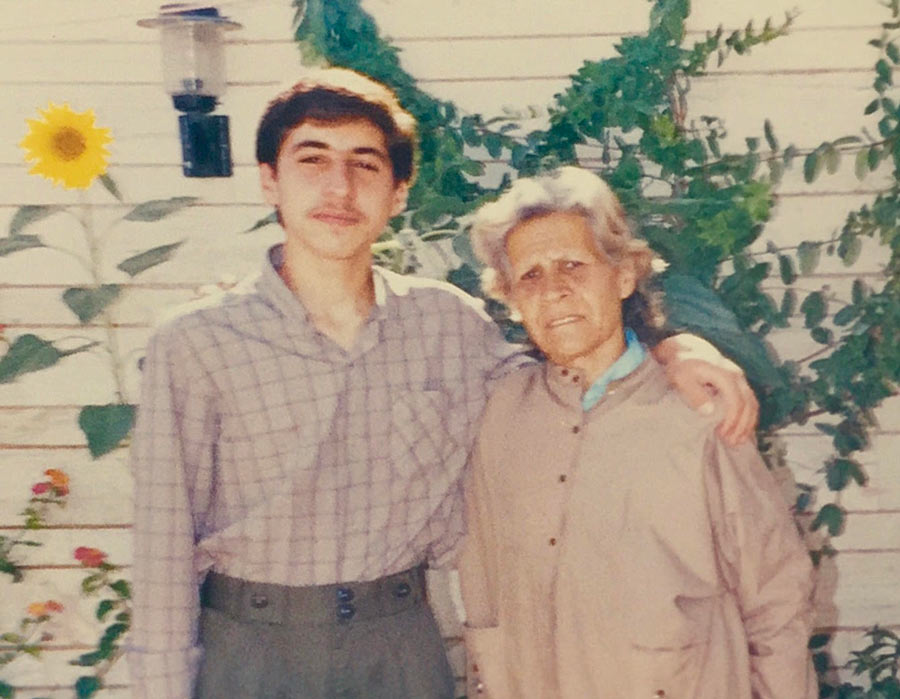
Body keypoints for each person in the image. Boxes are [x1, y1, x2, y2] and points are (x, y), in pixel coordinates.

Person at [127, 69, 759, 699]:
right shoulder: (196, 344)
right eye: (311, 160)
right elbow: (162, 553)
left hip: (399, 646)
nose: (339, 187)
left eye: (365, 165)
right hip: (251, 649)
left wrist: (673, 350)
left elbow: (570, 379)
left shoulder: (447, 324)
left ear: (398, 192)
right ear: (270, 179)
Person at [458, 166, 817, 699]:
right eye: (529, 276)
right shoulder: (504, 410)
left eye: (572, 265)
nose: (553, 290)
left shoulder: (699, 412)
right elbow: (483, 591)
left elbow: (777, 603)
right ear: (510, 299)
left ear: (623, 276)